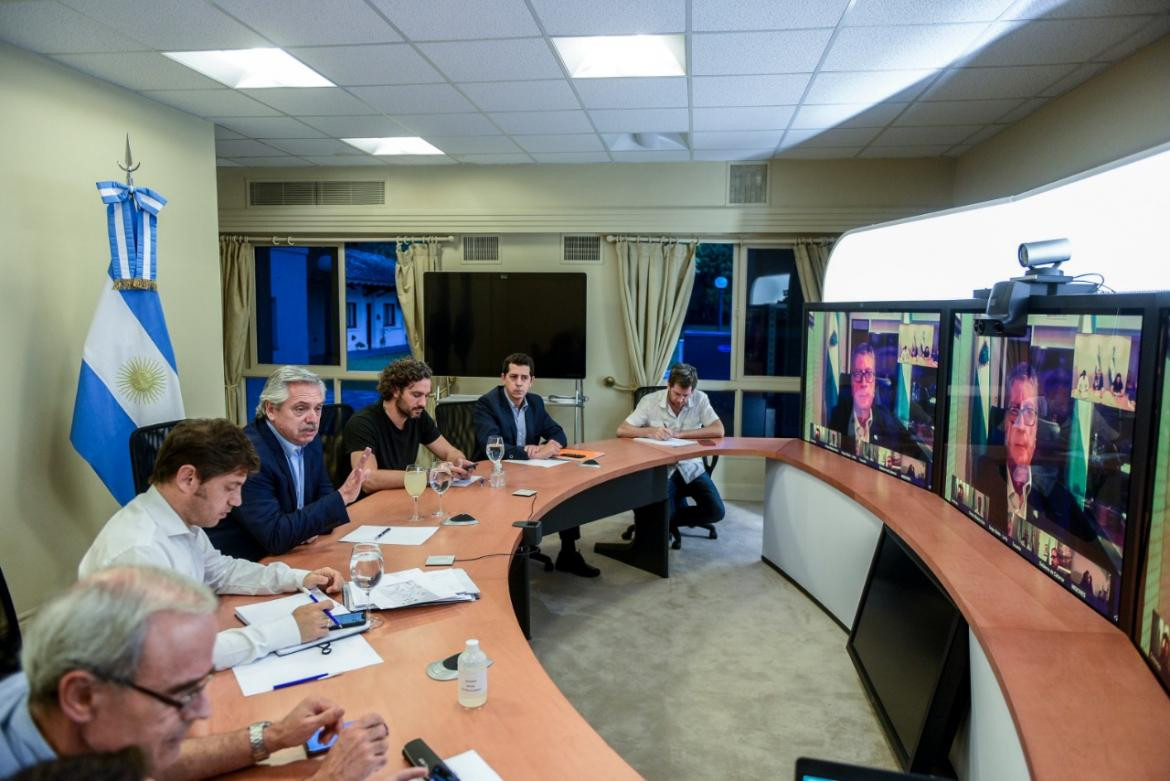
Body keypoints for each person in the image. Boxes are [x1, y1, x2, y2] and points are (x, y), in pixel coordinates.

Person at [0, 566, 425, 781]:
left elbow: (148, 759)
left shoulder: (68, 716)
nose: (203, 710)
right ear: (82, 697)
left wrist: (271, 737)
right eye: (183, 692)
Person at [78, 419, 344, 670]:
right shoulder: (139, 552)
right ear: (188, 479)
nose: (237, 501)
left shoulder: (181, 519)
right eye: (230, 487)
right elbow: (176, 656)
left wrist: (299, 578)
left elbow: (221, 572)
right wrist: (287, 630)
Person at [206, 366, 371, 561]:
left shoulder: (308, 439)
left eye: (317, 408)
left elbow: (324, 497)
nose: (312, 419)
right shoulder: (248, 455)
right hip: (250, 562)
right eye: (300, 409)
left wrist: (304, 527)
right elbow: (275, 536)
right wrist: (342, 497)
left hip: (295, 552)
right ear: (271, 409)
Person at [473, 353, 598, 577]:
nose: (519, 383)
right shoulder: (487, 404)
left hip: (529, 471)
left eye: (524, 378)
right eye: (513, 377)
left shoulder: (536, 402)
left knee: (566, 490)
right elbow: (491, 446)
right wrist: (530, 453)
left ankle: (568, 553)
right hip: (495, 473)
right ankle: (503, 563)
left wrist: (549, 446)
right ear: (503, 377)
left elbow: (558, 433)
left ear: (532, 380)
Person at [973, 364, 1096, 551]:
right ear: (1005, 423)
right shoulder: (985, 474)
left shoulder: (1057, 499)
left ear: (1037, 429)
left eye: (1029, 412)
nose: (1021, 426)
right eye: (1014, 409)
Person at [617, 363, 725, 550]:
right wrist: (650, 431)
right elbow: (622, 430)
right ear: (669, 385)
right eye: (677, 394)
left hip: (691, 466)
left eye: (686, 395)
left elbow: (718, 430)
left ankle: (667, 521)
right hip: (662, 468)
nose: (681, 400)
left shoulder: (700, 399)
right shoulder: (650, 401)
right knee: (660, 518)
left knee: (716, 511)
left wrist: (681, 434)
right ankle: (663, 521)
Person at [342, 358, 474, 492]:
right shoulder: (362, 423)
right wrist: (430, 475)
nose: (423, 403)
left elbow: (448, 451)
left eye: (426, 396)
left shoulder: (418, 416)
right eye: (416, 395)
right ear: (395, 391)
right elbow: (367, 480)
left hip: (400, 497)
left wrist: (458, 461)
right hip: (365, 506)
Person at [828, 342, 925, 461]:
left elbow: (919, 458)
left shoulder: (888, 422)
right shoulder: (836, 416)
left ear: (874, 383)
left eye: (868, 374)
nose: (863, 383)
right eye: (858, 374)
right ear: (852, 382)